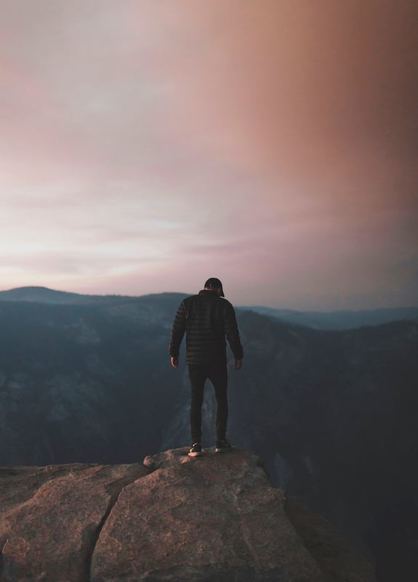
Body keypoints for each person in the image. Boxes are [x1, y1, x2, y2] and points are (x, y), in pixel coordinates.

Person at [169, 277, 244, 457]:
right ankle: (220, 441)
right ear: (217, 289)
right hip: (217, 360)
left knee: (196, 400)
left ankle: (195, 444)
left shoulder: (187, 303)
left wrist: (174, 353)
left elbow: (177, 329)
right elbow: (232, 333)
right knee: (221, 400)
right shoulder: (224, 306)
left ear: (205, 288)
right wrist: (238, 355)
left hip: (195, 360)